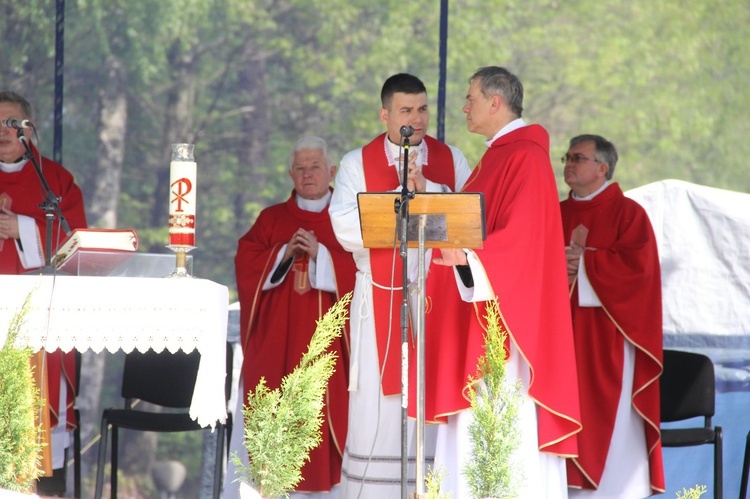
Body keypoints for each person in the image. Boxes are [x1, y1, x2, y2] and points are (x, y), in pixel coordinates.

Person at [430, 66, 582, 498]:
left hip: (506, 328)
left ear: (495, 102)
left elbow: (523, 241)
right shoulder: (499, 153)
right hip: (483, 310)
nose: (464, 107)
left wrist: (470, 257)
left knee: (499, 419)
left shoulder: (525, 155)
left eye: (471, 98)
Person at [328, 73, 471, 498]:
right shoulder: (358, 162)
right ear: (385, 114)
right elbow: (345, 229)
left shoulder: (452, 159)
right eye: (406, 110)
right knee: (379, 405)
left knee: (432, 392)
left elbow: (468, 220)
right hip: (381, 297)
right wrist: (399, 195)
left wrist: (428, 189)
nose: (417, 118)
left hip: (437, 299)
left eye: (423, 109)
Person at [233, 136, 356, 498]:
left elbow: (365, 270)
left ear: (331, 171)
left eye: (315, 167)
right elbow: (246, 262)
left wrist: (324, 255)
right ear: (290, 173)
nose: (307, 175)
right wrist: (282, 254)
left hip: (331, 351)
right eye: (300, 168)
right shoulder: (271, 219)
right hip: (280, 349)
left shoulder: (346, 219)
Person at [560, 134, 664, 497]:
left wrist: (586, 262)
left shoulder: (628, 214)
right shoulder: (553, 212)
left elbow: (640, 273)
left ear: (602, 168)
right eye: (567, 157)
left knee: (611, 425)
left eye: (578, 158)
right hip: (559, 338)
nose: (568, 163)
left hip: (608, 338)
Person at [0, 91, 88, 480]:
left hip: (37, 316)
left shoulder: (55, 180)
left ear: (28, 129)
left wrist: (19, 227)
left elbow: (77, 245)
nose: (2, 132)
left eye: (10, 122)